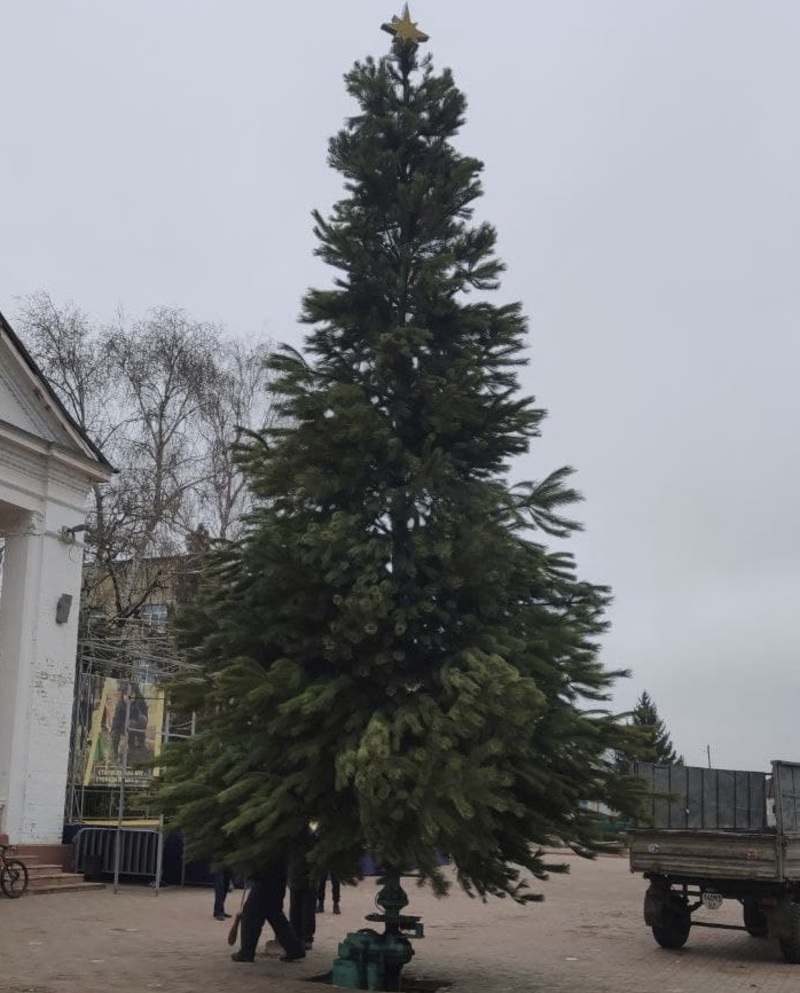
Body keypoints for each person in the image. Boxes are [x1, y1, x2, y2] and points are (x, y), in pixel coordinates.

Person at [231, 860, 305, 964]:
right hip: (277, 880)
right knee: (275, 916)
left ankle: (246, 952)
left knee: (251, 915)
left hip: (265, 880)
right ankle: (294, 949)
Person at [288, 828, 317, 950]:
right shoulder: (312, 835)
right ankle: (305, 937)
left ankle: (299, 936)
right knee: (306, 908)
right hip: (306, 874)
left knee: (298, 908)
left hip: (299, 874)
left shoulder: (291, 835)